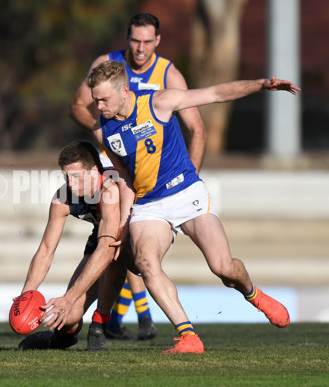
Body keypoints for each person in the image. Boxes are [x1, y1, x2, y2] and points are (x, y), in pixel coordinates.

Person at [88, 60, 298, 354]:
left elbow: (215, 94)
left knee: (223, 267)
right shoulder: (102, 129)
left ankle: (254, 295)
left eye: (103, 99)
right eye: (95, 99)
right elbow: (124, 174)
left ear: (124, 90)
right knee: (147, 264)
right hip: (148, 205)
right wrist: (124, 221)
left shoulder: (160, 101)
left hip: (185, 192)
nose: (98, 106)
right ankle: (188, 337)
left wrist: (262, 84)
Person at [69, 12, 207, 340]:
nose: (140, 48)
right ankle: (104, 319)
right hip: (115, 169)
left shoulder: (168, 74)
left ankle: (108, 319)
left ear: (157, 41)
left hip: (163, 184)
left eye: (147, 41)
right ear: (127, 37)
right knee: (117, 241)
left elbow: (197, 129)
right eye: (135, 40)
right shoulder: (108, 64)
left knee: (125, 244)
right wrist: (109, 134)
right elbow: (76, 105)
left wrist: (186, 185)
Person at [16, 140, 131, 351]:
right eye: (66, 176)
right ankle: (60, 339)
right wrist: (27, 294)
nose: (70, 184)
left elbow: (107, 248)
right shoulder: (62, 197)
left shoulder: (109, 191)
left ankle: (99, 325)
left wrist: (69, 298)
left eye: (76, 176)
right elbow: (45, 250)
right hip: (104, 234)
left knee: (116, 254)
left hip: (137, 230)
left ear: (94, 171)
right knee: (68, 316)